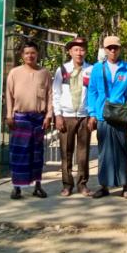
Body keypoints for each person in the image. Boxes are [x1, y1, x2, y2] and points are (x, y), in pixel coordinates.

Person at [87, 36, 127, 199]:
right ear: (105, 50)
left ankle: (125, 186)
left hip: (121, 115)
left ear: (120, 49)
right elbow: (92, 91)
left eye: (115, 47)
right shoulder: (97, 68)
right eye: (109, 48)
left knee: (122, 150)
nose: (113, 50)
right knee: (104, 152)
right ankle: (104, 186)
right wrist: (92, 114)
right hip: (103, 116)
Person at [6, 40, 53, 199]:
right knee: (19, 153)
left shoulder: (44, 73)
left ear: (37, 54)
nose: (30, 56)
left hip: (38, 118)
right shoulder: (14, 73)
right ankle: (17, 187)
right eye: (26, 53)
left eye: (33, 53)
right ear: (22, 55)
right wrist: (9, 115)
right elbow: (9, 95)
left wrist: (48, 115)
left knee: (37, 154)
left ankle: (37, 186)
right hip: (20, 118)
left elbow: (50, 95)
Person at [52, 36, 94, 197]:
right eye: (76, 49)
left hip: (84, 116)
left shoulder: (91, 70)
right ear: (70, 52)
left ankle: (82, 184)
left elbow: (94, 93)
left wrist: (92, 115)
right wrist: (58, 115)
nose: (79, 53)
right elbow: (56, 93)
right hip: (66, 116)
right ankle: (67, 184)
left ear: (86, 51)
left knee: (83, 153)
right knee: (66, 152)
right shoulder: (62, 70)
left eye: (82, 49)